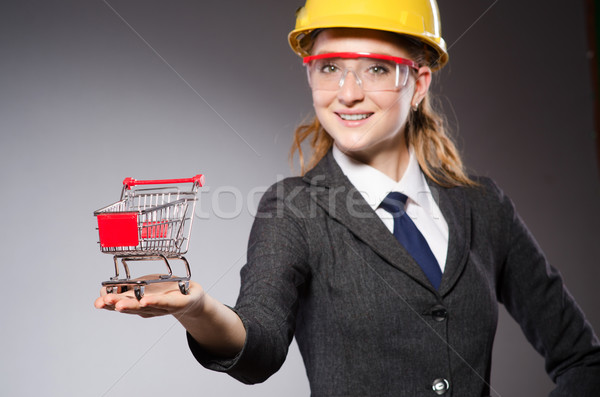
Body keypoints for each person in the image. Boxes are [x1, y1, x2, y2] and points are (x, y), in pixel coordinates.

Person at [95, 0, 600, 395]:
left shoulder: (483, 206)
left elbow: (584, 360)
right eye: (329, 66)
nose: (347, 93)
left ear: (418, 81)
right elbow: (260, 346)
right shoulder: (294, 208)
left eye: (377, 69)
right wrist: (199, 309)